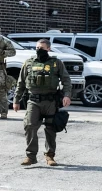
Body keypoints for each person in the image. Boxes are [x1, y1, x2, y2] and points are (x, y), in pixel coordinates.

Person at [14, 37, 71, 166]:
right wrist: (16, 100)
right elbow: (21, 82)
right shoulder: (29, 63)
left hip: (50, 101)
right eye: (37, 48)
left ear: (48, 49)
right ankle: (31, 156)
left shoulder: (56, 63)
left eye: (42, 48)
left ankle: (50, 156)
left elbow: (66, 80)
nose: (39, 50)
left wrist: (67, 95)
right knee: (29, 126)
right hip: (33, 101)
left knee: (50, 128)